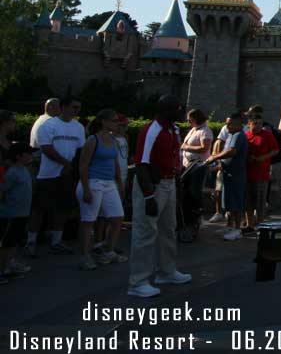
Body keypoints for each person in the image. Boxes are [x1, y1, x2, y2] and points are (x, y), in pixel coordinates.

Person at [128, 95, 191, 298]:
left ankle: (167, 270)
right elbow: (141, 164)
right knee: (145, 233)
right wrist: (148, 196)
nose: (181, 112)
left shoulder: (173, 130)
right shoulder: (152, 130)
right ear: (166, 110)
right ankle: (138, 281)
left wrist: (177, 186)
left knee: (168, 229)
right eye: (178, 108)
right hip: (154, 185)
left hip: (169, 182)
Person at [28, 95, 85, 257]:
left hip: (67, 176)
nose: (77, 111)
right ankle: (31, 241)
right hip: (47, 174)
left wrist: (72, 167)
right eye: (74, 107)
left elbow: (80, 149)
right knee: (39, 208)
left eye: (78, 108)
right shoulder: (48, 125)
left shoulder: (78, 127)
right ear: (64, 107)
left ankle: (56, 241)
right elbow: (46, 148)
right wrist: (65, 163)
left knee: (63, 208)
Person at [76, 109, 125, 270]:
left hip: (109, 183)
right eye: (113, 121)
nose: (116, 124)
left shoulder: (112, 139)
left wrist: (120, 182)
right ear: (104, 122)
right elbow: (83, 165)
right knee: (88, 220)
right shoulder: (92, 140)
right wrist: (86, 188)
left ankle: (108, 250)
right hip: (93, 182)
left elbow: (115, 163)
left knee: (117, 218)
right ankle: (85, 255)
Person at [205, 113, 248, 241]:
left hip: (237, 175)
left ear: (239, 124)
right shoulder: (230, 135)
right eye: (226, 123)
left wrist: (215, 157)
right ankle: (229, 225)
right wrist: (218, 163)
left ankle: (237, 229)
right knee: (228, 202)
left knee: (236, 202)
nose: (227, 126)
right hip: (228, 174)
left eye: (230, 123)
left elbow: (232, 151)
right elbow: (226, 152)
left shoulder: (239, 135)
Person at [1, 142, 36, 283]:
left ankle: (8, 266)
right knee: (6, 243)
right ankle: (2, 269)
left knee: (14, 242)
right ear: (19, 156)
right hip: (10, 214)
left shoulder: (24, 170)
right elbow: (2, 190)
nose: (31, 155)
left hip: (22, 213)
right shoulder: (12, 172)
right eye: (28, 153)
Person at [243, 113, 278, 232]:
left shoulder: (267, 135)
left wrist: (263, 157)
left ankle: (260, 224)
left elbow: (275, 150)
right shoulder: (245, 135)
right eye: (255, 123)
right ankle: (249, 224)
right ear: (249, 124)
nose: (258, 126)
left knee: (260, 202)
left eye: (260, 123)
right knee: (247, 201)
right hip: (247, 173)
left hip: (261, 174)